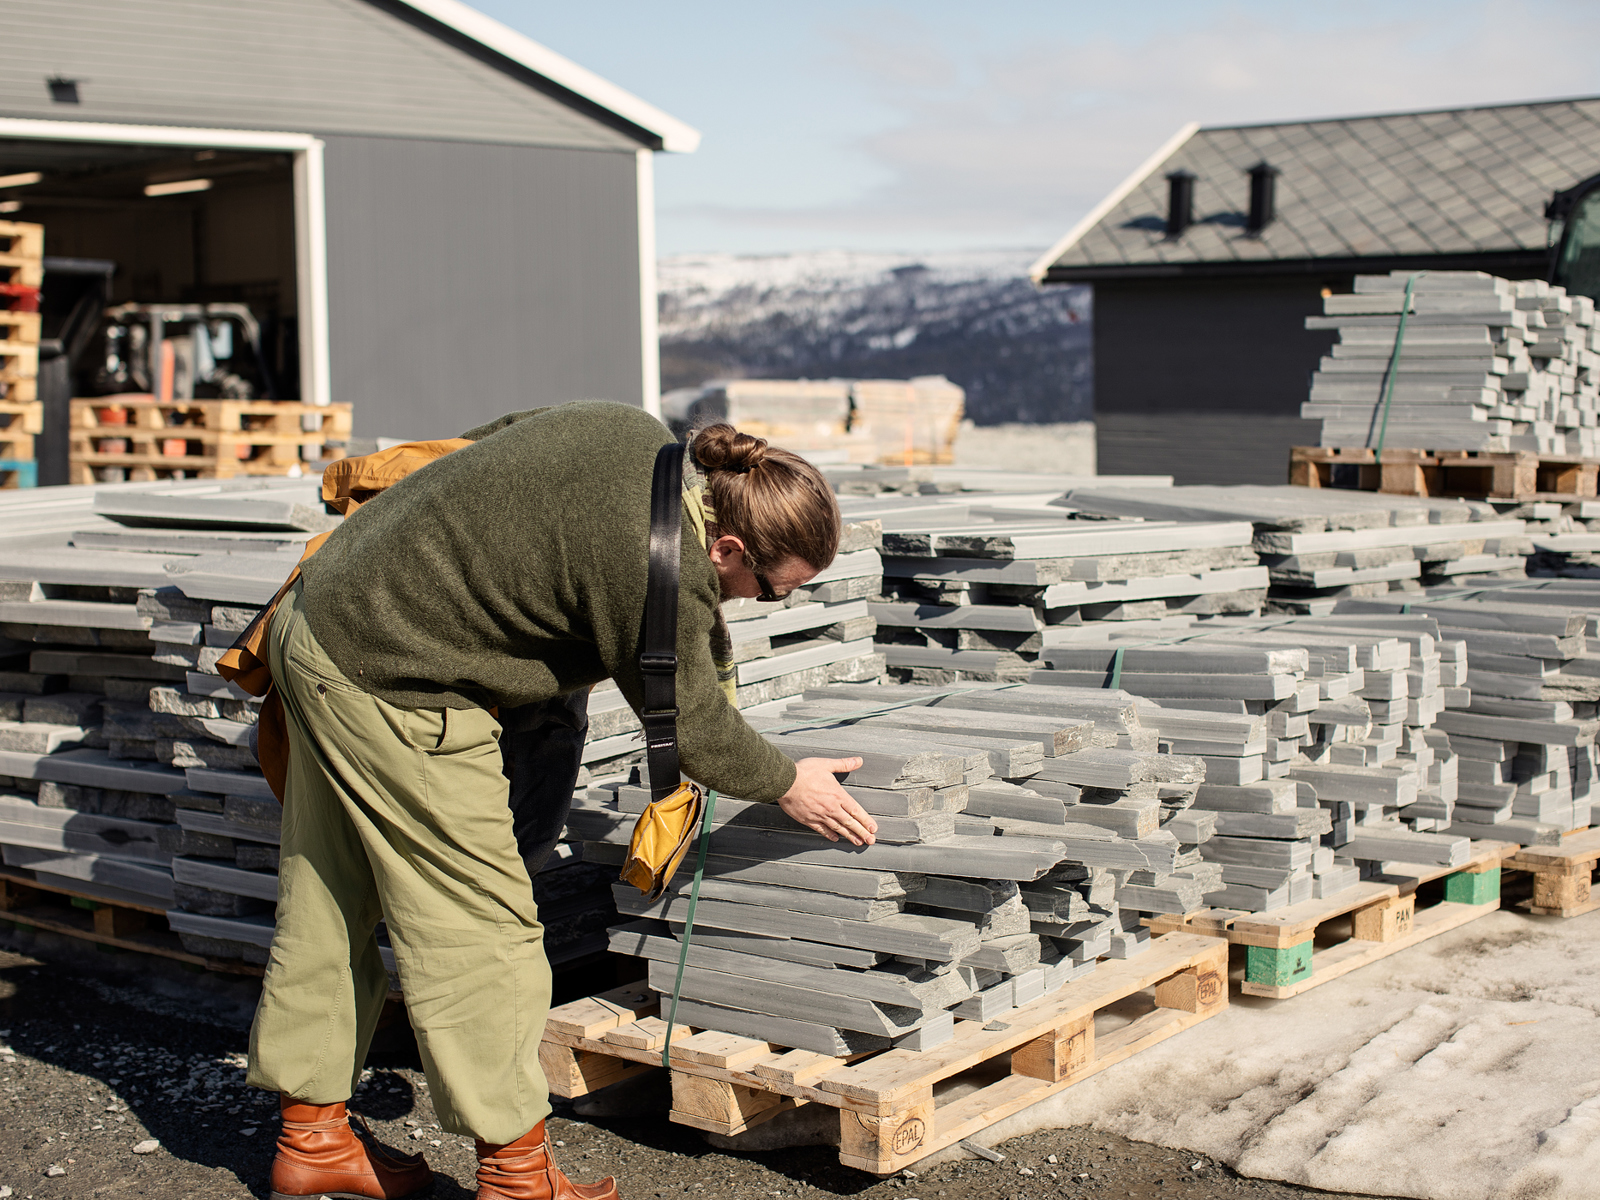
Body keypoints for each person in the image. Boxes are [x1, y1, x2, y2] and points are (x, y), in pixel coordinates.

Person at [246, 401, 879, 1200]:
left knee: (332, 893)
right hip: (397, 679)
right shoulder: (652, 563)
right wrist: (791, 781)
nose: (761, 605)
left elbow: (474, 443)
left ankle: (313, 1143)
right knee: (483, 926)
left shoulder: (631, 433)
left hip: (326, 615)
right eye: (770, 591)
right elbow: (696, 729)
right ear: (726, 543)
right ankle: (517, 1178)